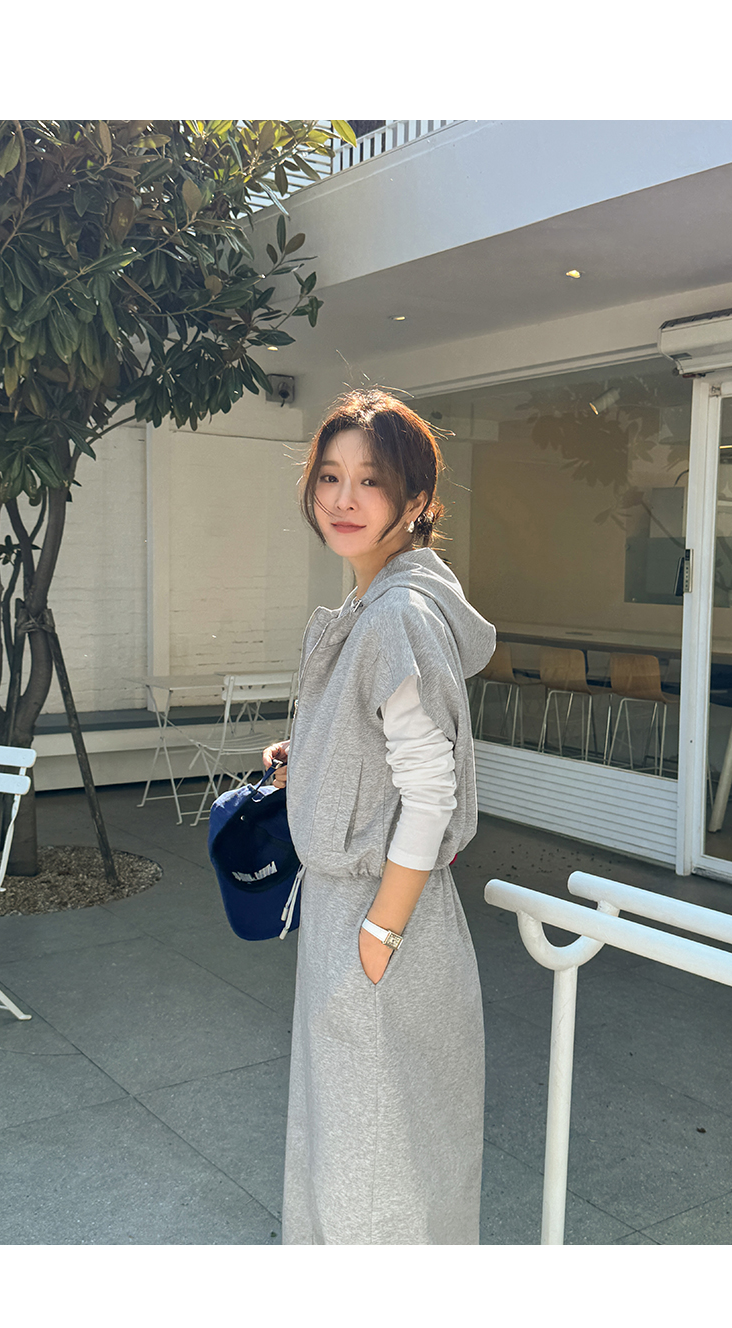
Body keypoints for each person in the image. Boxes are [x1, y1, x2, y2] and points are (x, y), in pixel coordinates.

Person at [263, 388, 496, 1245]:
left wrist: (379, 934)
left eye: (371, 480)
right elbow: (391, 747)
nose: (344, 498)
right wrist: (316, 758)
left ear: (415, 498)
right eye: (330, 476)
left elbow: (431, 790)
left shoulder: (396, 612)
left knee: (372, 1159)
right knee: (367, 1142)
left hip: (380, 915)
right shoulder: (378, 602)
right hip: (362, 912)